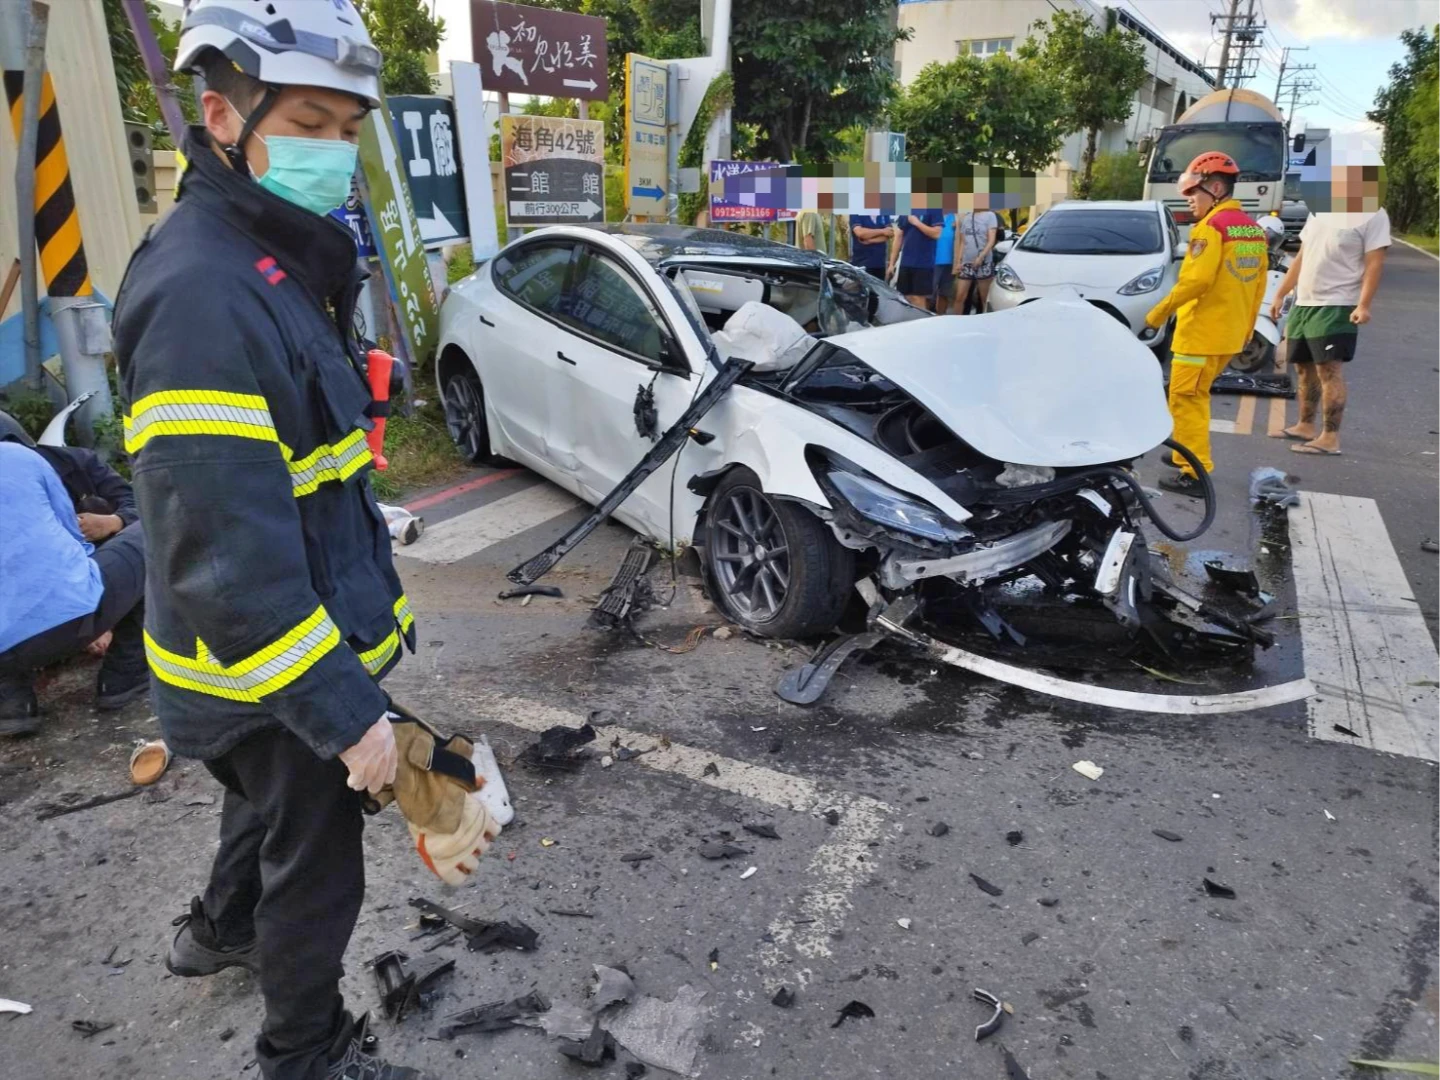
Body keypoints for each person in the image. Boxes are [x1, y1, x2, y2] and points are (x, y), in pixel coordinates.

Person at [110, 3, 431, 1077]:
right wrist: (351, 720)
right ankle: (307, 1051)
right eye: (306, 123)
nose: (332, 152)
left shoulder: (272, 258)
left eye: (348, 129)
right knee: (317, 867)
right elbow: (227, 566)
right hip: (261, 665)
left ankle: (216, 932)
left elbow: (280, 473)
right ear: (221, 117)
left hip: (257, 658)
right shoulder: (203, 293)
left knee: (261, 810)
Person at [0, 427, 149, 735]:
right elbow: (71, 541)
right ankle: (125, 674)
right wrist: (98, 615)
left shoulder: (78, 461)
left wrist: (113, 522)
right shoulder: (22, 458)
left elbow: (131, 499)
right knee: (149, 533)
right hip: (64, 615)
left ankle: (11, 702)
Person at [1142, 151, 1267, 497]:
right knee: (1194, 395)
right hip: (1228, 334)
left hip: (1200, 334)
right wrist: (1246, 330)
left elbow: (1195, 282)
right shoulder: (1252, 230)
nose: (1189, 200)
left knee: (1187, 399)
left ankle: (1194, 472)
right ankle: (1184, 451)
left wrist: (1156, 314)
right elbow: (1258, 286)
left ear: (1216, 188)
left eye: (1193, 193)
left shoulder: (1211, 228)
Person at [1269, 153, 1389, 456]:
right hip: (1304, 303)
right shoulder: (1319, 211)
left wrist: (1363, 305)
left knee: (1328, 370)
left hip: (1337, 305)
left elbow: (1375, 263)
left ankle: (1330, 437)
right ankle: (1305, 425)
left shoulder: (1372, 213)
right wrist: (1281, 293)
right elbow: (1303, 256)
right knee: (1303, 368)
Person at [888, 208, 945, 309]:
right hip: (906, 262)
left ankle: (921, 319)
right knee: (905, 298)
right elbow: (899, 236)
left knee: (918, 299)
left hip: (923, 263)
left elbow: (937, 234)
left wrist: (917, 223)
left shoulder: (934, 209)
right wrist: (892, 263)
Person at [954, 198, 1000, 315]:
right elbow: (963, 242)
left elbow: (991, 240)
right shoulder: (967, 218)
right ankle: (955, 321)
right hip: (967, 263)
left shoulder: (990, 216)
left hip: (983, 262)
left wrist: (981, 257)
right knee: (959, 297)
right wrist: (959, 261)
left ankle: (985, 321)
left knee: (984, 298)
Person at [848, 212, 893, 281]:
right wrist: (883, 231)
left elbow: (889, 234)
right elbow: (860, 233)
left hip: (880, 264)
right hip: (862, 264)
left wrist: (870, 240)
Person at [932, 211, 957, 314]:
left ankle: (940, 317)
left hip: (950, 262)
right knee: (929, 294)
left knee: (944, 293)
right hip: (932, 261)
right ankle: (925, 318)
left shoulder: (956, 217)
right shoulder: (932, 214)